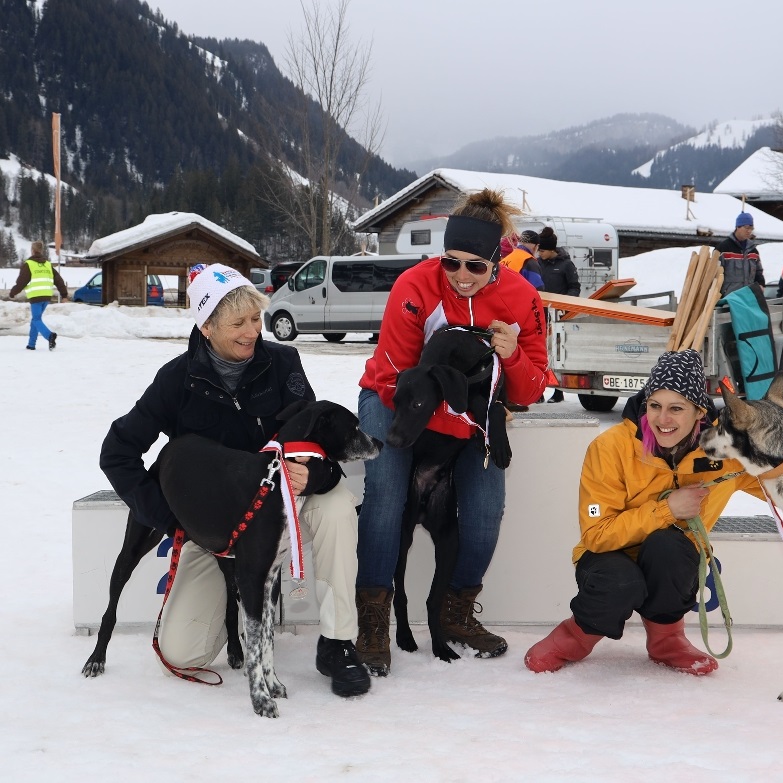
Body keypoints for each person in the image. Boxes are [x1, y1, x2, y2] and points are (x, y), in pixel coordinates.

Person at [99, 264, 371, 697]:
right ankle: (237, 604)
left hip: (286, 501)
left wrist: (313, 473)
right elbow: (117, 452)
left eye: (255, 320)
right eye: (237, 323)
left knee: (338, 508)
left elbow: (321, 434)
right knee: (183, 653)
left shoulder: (283, 362)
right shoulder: (176, 380)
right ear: (206, 326)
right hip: (223, 524)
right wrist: (173, 517)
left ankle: (338, 642)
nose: (251, 332)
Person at [524, 349, 783, 676]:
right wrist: (667, 509)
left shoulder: (728, 452)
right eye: (655, 406)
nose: (663, 419)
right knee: (621, 580)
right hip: (608, 556)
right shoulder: (610, 447)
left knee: (670, 547)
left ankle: (666, 638)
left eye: (676, 409)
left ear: (699, 411)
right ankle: (576, 635)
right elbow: (596, 535)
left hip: (671, 558)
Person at [355, 189, 549, 674]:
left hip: (473, 415)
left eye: (475, 267)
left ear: (496, 263)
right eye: (451, 263)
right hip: (393, 400)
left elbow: (532, 390)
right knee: (385, 494)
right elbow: (399, 377)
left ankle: (456, 611)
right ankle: (373, 617)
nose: (461, 276)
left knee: (485, 510)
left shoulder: (523, 299)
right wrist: (455, 418)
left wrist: (511, 355)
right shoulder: (414, 286)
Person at [537, 226, 580, 402]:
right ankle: (538, 391)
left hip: (559, 317)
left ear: (552, 249)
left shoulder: (566, 265)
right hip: (540, 316)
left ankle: (558, 392)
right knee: (540, 354)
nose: (539, 253)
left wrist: (566, 306)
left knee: (556, 355)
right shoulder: (537, 263)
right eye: (538, 249)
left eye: (543, 250)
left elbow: (574, 287)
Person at [9, 240, 68, 351]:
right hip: (46, 296)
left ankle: (49, 335)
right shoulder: (47, 265)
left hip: (36, 296)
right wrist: (64, 294)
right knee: (36, 320)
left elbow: (21, 282)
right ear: (41, 251)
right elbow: (58, 280)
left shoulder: (28, 265)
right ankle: (31, 344)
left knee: (36, 319)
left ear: (32, 250)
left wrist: (13, 293)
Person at [717, 212, 766, 297]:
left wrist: (761, 284)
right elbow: (715, 274)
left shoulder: (753, 251)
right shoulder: (723, 249)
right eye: (746, 227)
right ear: (737, 227)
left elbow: (758, 272)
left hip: (748, 297)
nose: (749, 231)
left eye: (751, 228)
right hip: (729, 299)